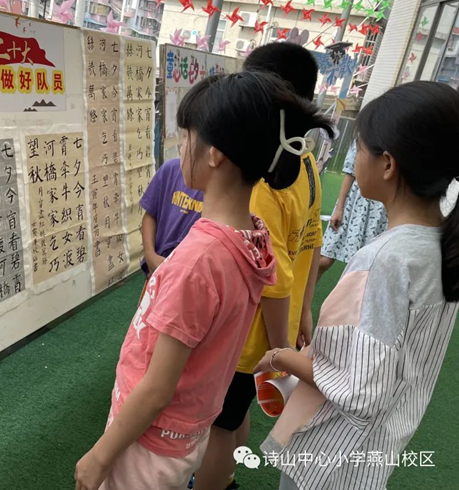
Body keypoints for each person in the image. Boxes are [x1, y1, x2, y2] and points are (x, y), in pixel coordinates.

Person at [74, 72, 332, 490]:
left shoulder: (198, 262)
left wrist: (99, 457)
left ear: (214, 155)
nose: (180, 148)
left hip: (150, 443)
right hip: (187, 433)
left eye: (185, 137)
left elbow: (157, 390)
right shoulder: (253, 235)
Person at [256, 81, 459, 490]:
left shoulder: (386, 260)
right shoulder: (440, 246)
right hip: (379, 446)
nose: (355, 158)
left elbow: (359, 389)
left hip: (331, 455)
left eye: (359, 148)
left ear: (388, 165)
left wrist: (282, 357)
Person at [195, 42, 327, 490]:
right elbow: (311, 238)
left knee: (217, 426)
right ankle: (228, 477)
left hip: (250, 336)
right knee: (234, 417)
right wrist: (304, 310)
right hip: (275, 328)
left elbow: (274, 277)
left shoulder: (264, 181)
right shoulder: (303, 161)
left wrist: (281, 350)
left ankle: (215, 482)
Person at [317, 141, 388, 280]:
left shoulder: (400, 138)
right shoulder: (364, 137)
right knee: (324, 259)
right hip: (353, 203)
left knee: (365, 267)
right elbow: (349, 173)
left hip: (380, 211)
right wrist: (339, 209)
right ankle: (301, 293)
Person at [140, 157, 203, 277]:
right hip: (158, 266)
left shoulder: (218, 185)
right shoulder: (170, 169)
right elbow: (150, 215)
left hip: (191, 273)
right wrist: (150, 255)